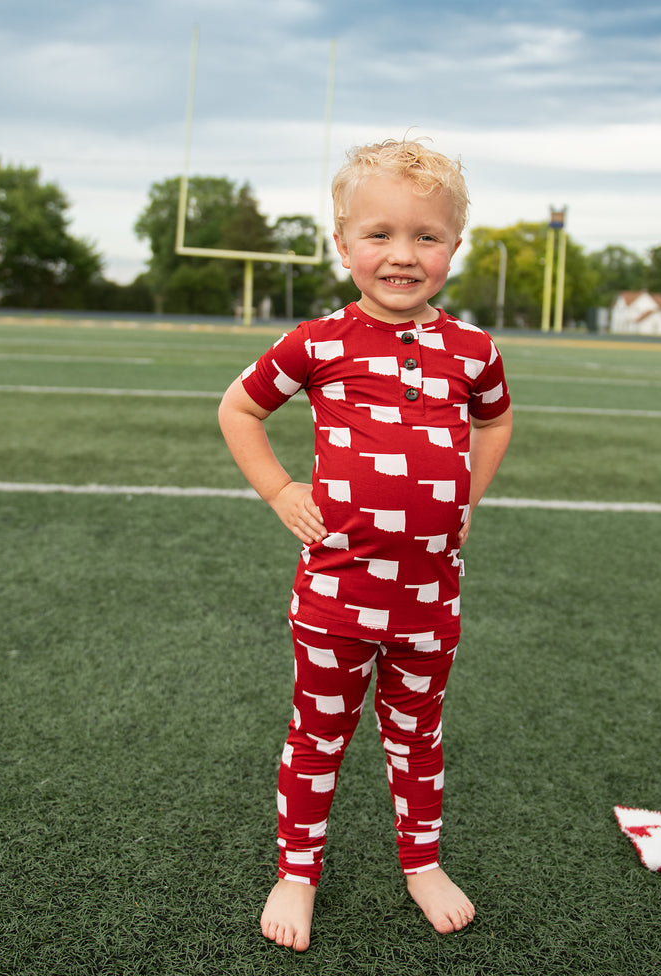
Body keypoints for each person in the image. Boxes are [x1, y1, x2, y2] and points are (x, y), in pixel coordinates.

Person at [218, 137, 513, 951]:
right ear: (343, 243)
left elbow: (495, 417)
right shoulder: (317, 341)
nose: (402, 255)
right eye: (378, 234)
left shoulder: (473, 349)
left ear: (455, 245)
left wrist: (466, 496)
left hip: (429, 598)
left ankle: (421, 863)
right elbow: (238, 409)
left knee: (418, 736)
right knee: (318, 736)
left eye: (426, 236)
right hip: (336, 596)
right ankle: (297, 871)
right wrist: (281, 488)